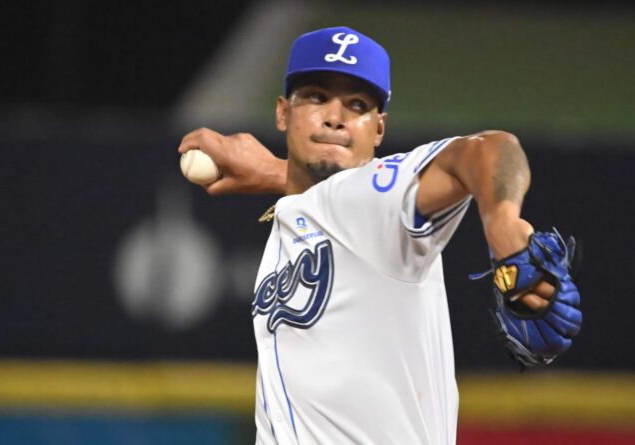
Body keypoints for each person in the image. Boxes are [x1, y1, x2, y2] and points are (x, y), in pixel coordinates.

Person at [178, 26, 577, 445]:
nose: (335, 117)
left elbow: (489, 148)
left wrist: (502, 220)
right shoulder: (306, 212)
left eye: (357, 105)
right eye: (316, 97)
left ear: (379, 129)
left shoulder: (376, 199)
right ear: (282, 113)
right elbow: (322, 199)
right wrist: (276, 173)